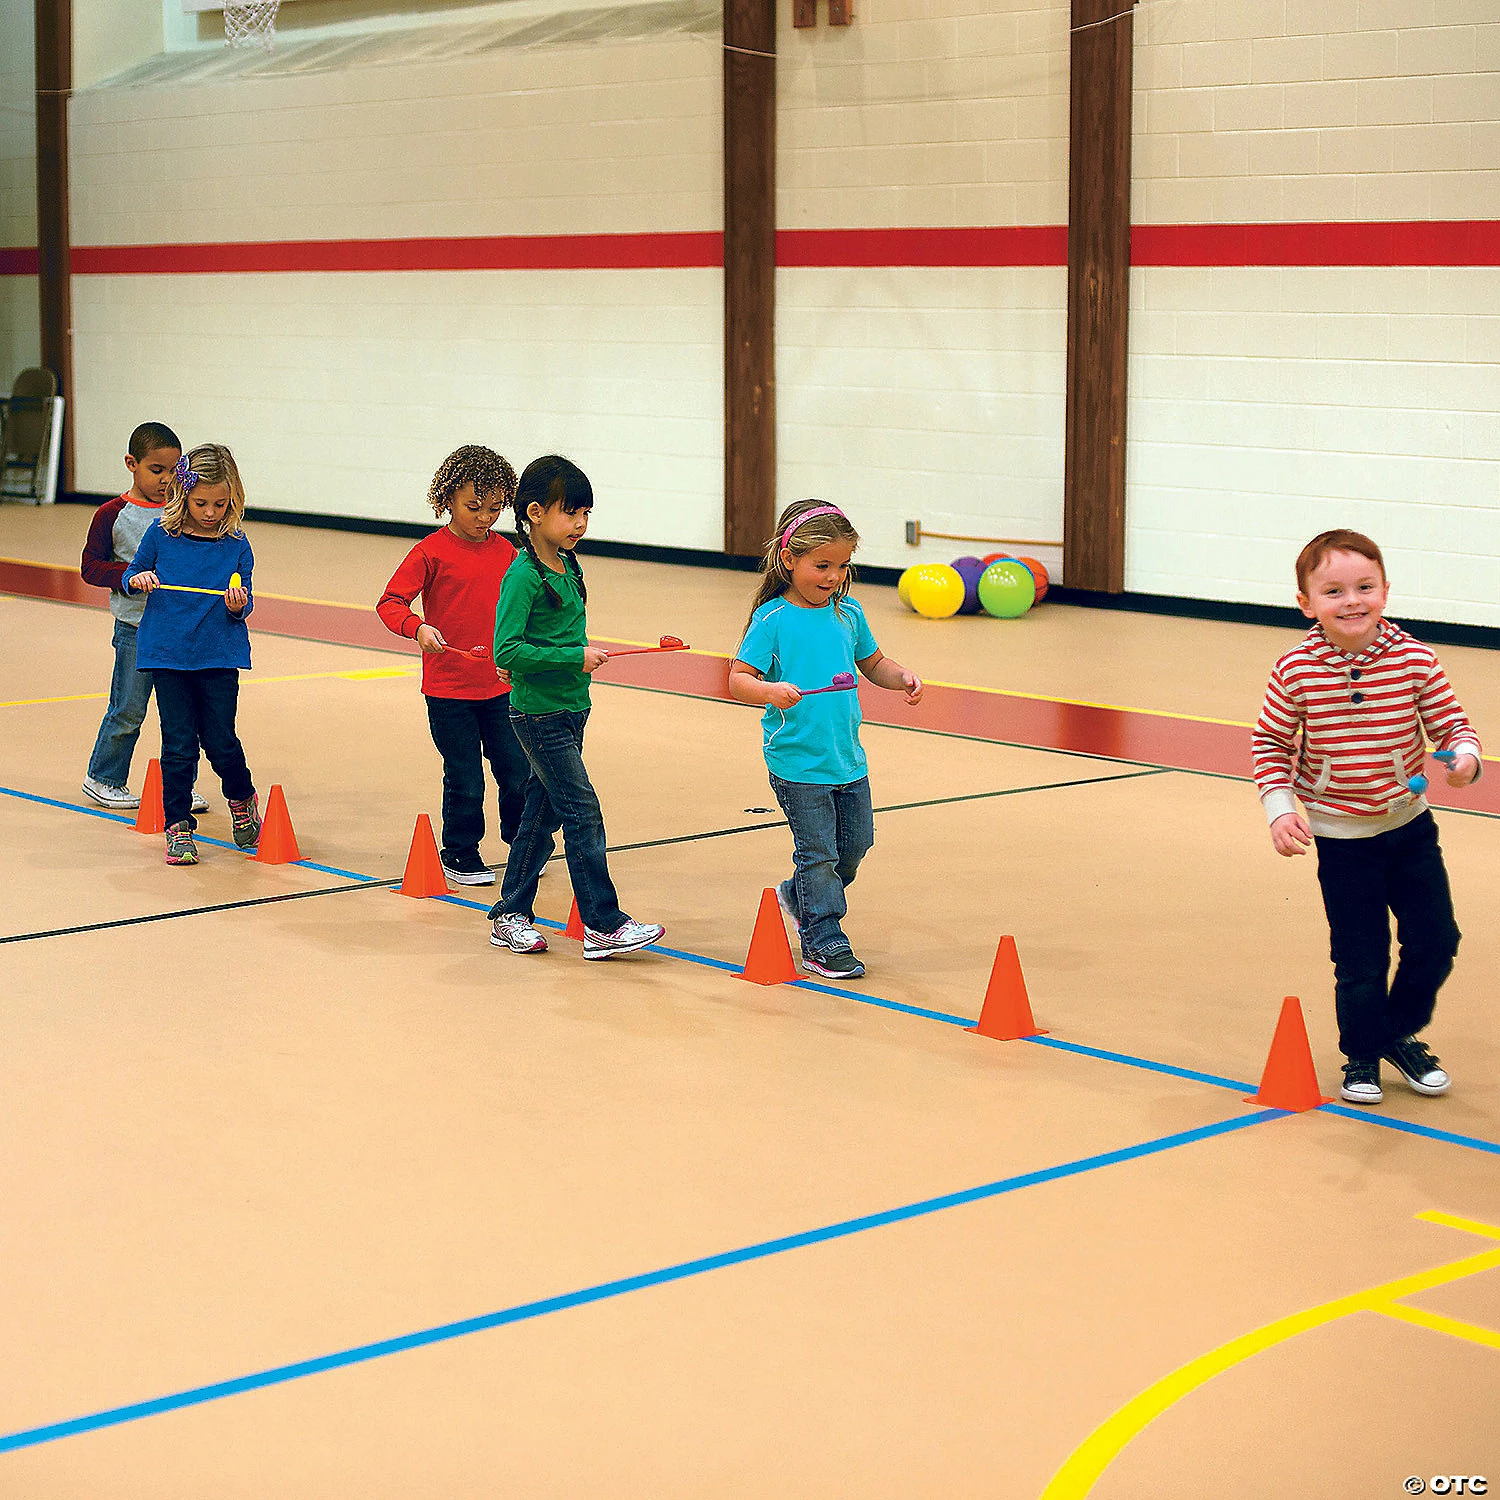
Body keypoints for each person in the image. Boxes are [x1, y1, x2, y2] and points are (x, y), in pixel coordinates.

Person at [1252, 528, 1482, 1106]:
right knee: (1360, 956)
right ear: (1306, 604)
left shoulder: (1414, 660)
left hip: (1409, 828)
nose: (1351, 600)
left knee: (1436, 939)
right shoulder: (1296, 669)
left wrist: (1467, 761)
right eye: (1333, 591)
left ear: (1384, 591)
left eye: (1364, 586)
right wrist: (1280, 810)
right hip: (1342, 838)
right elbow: (1270, 747)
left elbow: (1454, 725)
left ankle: (1393, 1032)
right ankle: (1361, 1053)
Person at [728, 499, 923, 980]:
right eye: (822, 565)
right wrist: (770, 689)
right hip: (798, 763)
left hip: (847, 760)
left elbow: (872, 663)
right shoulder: (772, 620)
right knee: (819, 854)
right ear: (788, 559)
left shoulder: (848, 613)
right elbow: (738, 679)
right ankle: (823, 939)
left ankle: (797, 896)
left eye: (841, 565)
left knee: (854, 848)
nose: (833, 576)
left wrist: (901, 678)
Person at [486, 455, 663, 960]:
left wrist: (576, 660)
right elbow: (507, 650)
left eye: (587, 514)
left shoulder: (569, 565)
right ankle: (603, 924)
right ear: (535, 513)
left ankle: (508, 914)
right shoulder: (523, 576)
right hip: (538, 716)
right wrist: (574, 657)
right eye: (571, 513)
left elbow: (553, 636)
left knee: (541, 817)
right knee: (583, 811)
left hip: (571, 708)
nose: (581, 525)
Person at [377, 446, 531, 886]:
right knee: (464, 777)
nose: (485, 517)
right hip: (448, 691)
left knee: (516, 770)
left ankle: (523, 845)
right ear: (447, 499)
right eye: (474, 507)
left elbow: (526, 608)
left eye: (496, 508)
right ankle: (460, 853)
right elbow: (390, 603)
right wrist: (417, 628)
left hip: (502, 688)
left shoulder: (509, 553)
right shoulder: (431, 552)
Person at [122, 444, 261, 866]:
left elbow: (246, 600)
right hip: (168, 655)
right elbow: (130, 575)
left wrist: (238, 604)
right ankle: (178, 826)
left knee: (220, 741)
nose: (210, 512)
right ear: (184, 494)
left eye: (220, 504)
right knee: (178, 745)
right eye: (201, 503)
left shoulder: (236, 543)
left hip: (217, 654)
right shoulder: (160, 535)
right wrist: (140, 578)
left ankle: (241, 796)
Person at [79, 421, 205, 816]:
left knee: (182, 715)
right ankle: (104, 777)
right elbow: (91, 568)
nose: (167, 480)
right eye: (157, 470)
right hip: (136, 630)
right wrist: (128, 577)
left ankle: (178, 787)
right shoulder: (112, 514)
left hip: (181, 631)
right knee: (129, 708)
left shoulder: (186, 510)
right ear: (131, 464)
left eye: (175, 470)